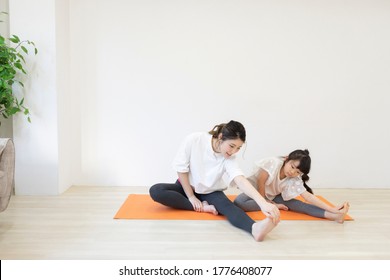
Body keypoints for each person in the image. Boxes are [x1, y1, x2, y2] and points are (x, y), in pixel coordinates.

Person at [149, 120, 280, 241]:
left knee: (229, 207)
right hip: (187, 187)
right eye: (232, 146)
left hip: (210, 192)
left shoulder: (229, 158)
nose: (234, 151)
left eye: (238, 148)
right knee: (156, 191)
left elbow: (240, 179)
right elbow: (181, 168)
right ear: (221, 137)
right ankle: (203, 207)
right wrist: (191, 197)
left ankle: (254, 229)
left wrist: (262, 203)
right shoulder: (195, 139)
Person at [234, 149, 350, 223]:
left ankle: (334, 216)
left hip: (274, 197)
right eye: (292, 167)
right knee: (239, 202)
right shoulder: (273, 163)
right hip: (258, 193)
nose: (293, 172)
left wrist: (332, 208)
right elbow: (260, 181)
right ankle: (275, 206)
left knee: (302, 206)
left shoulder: (295, 178)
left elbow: (308, 197)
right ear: (287, 158)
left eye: (298, 172)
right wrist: (265, 202)